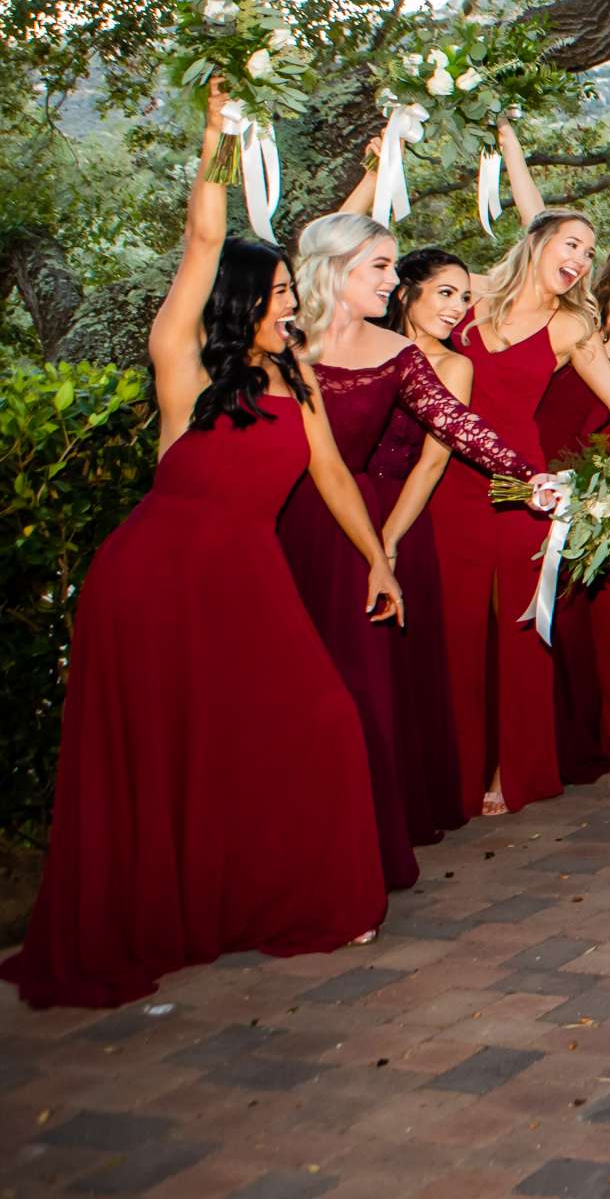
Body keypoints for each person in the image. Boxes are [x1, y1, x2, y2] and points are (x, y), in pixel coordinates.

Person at [2, 83, 395, 1008]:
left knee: (314, 723)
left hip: (248, 577)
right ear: (241, 300)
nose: (293, 300)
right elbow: (206, 240)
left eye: (295, 290)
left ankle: (273, 898)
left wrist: (377, 559)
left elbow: (332, 474)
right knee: (171, 751)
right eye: (282, 291)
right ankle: (168, 913)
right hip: (154, 582)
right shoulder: (181, 360)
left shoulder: (294, 370)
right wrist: (217, 139)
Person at [282, 213, 540, 890]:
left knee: (354, 688)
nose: (393, 281)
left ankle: (356, 839)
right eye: (380, 266)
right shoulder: (282, 342)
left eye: (395, 267)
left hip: (350, 537)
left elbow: (458, 426)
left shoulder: (399, 359)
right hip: (275, 531)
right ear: (336, 267)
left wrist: (529, 478)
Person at [444, 207, 610, 814]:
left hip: (521, 488)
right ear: (536, 242)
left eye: (589, 252)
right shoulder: (470, 296)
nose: (581, 261)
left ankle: (516, 768)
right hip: (448, 479)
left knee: (517, 628)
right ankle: (451, 769)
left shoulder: (573, 327)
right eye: (572, 245)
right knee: (454, 630)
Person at [368, 248, 479, 843]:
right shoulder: (358, 344)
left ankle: (404, 807)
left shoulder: (453, 367)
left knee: (403, 669)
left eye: (464, 297)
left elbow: (434, 463)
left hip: (404, 520)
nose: (458, 308)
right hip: (337, 503)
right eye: (445, 293)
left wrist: (385, 540)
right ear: (404, 291)